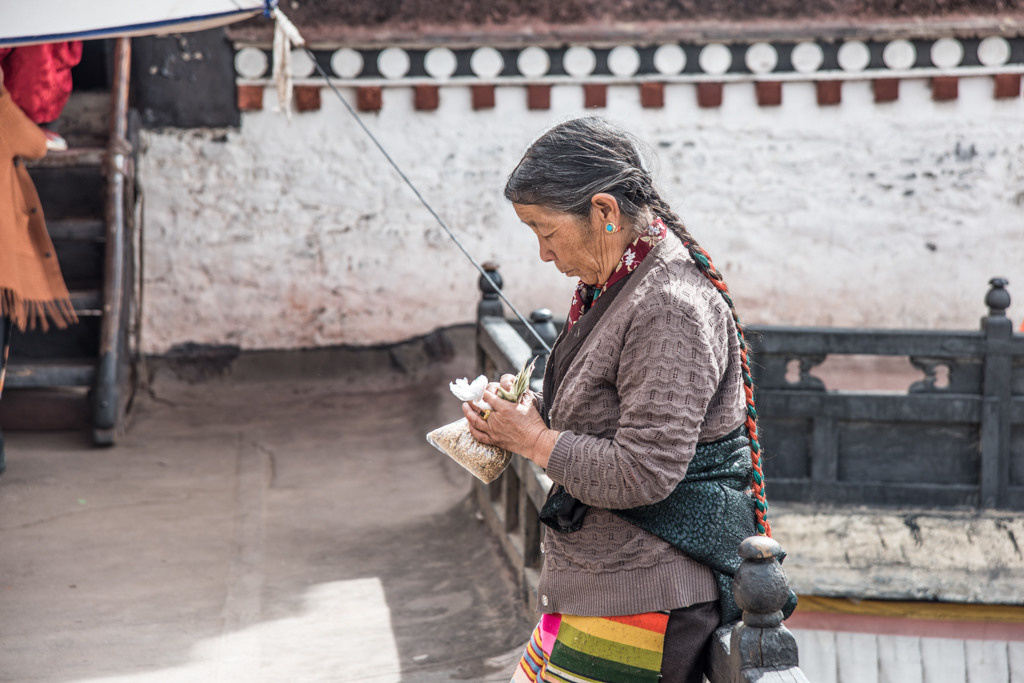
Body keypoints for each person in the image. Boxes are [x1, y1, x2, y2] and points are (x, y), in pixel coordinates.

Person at [461, 116, 781, 683]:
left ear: (605, 212)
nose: (543, 253)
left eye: (545, 231)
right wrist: (524, 411)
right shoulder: (616, 285)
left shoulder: (669, 306)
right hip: (601, 584)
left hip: (646, 596)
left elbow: (643, 470)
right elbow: (608, 414)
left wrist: (533, 439)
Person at [0, 42, 83, 151]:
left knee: (15, 147)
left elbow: (4, 46)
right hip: (53, 94)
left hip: (18, 92)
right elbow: (74, 52)